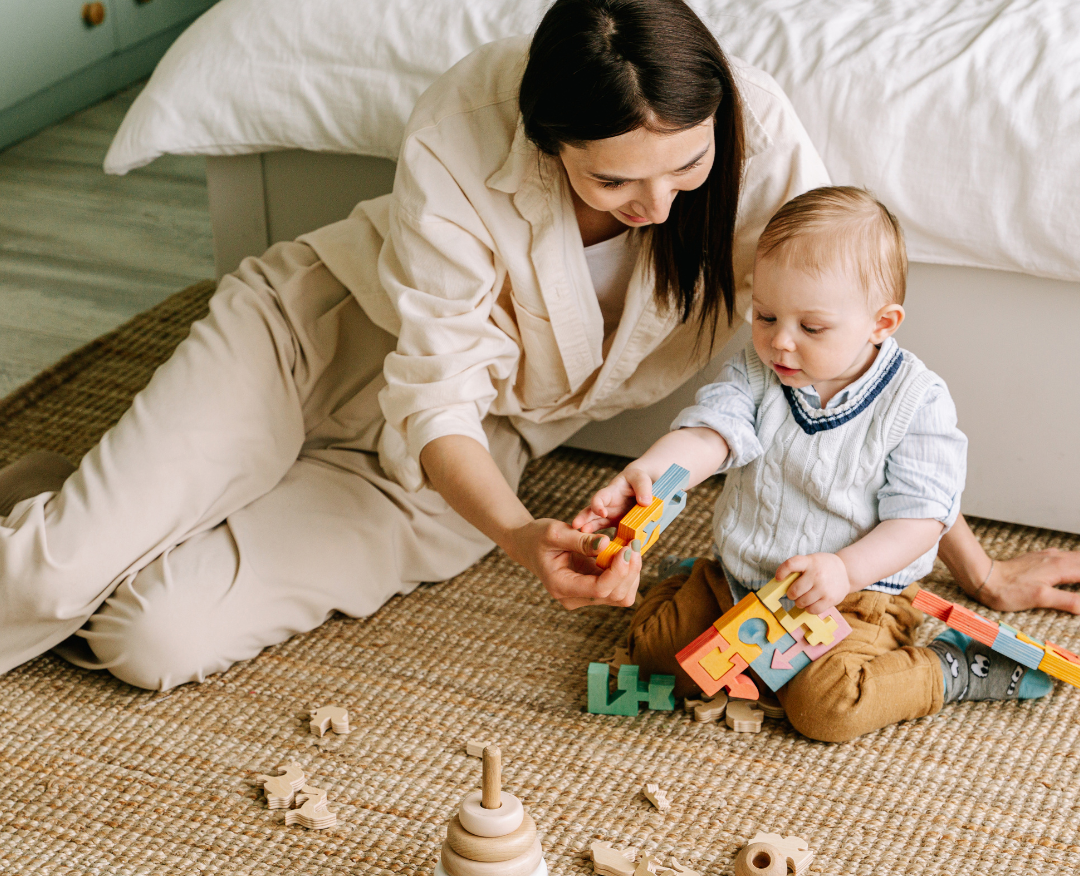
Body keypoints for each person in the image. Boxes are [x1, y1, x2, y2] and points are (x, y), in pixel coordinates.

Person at [0, 1, 1073, 692]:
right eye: (613, 179)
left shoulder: (756, 147)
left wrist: (982, 575)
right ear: (548, 139)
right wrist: (520, 539)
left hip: (462, 460)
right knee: (52, 578)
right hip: (314, 347)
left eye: (684, 169)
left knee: (150, 642)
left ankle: (92, 496)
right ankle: (98, 517)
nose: (657, 204)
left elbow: (875, 392)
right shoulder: (464, 125)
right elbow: (434, 399)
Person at [575, 187, 1057, 742]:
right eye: (765, 314)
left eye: (812, 327)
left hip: (859, 594)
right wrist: (653, 469)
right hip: (743, 579)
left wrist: (846, 570)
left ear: (882, 323)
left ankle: (947, 670)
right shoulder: (757, 374)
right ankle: (689, 581)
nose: (780, 341)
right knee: (656, 658)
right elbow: (711, 434)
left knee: (827, 709)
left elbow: (923, 520)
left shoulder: (916, 402)